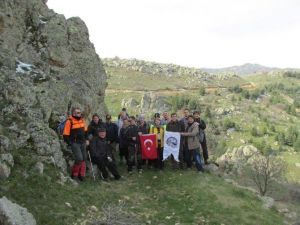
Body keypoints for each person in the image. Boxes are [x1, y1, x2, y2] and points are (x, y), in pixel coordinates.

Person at [63, 107, 88, 181]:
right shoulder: (69, 121)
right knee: (79, 159)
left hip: (83, 142)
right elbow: (65, 134)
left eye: (80, 112)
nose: (79, 114)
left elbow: (86, 131)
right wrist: (70, 143)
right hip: (75, 143)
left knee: (84, 158)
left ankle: (81, 175)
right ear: (73, 113)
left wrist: (87, 139)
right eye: (78, 112)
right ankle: (74, 174)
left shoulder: (82, 120)